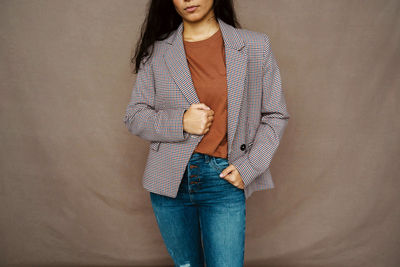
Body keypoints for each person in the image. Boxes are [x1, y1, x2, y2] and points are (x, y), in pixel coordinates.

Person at [123, 0, 290, 266]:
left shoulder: (255, 46)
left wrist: (249, 167)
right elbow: (134, 117)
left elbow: (275, 114)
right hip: (169, 183)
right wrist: (181, 121)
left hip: (222, 179)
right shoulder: (156, 52)